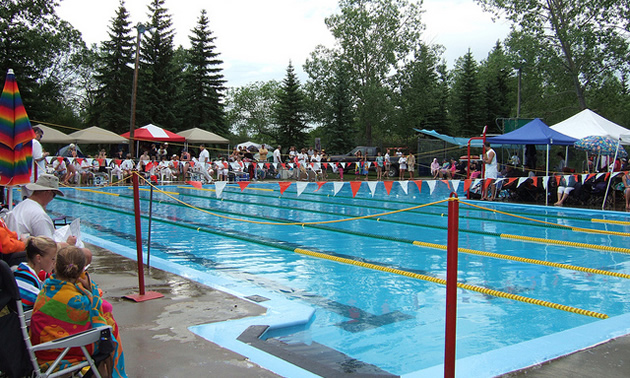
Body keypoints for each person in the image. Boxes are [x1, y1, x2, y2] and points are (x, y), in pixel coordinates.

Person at [30, 246, 126, 377]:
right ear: (81, 270)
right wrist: (90, 290)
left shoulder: (46, 290)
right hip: (64, 353)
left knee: (103, 332)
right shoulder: (79, 302)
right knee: (107, 331)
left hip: (41, 351)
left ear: (55, 265)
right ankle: (111, 375)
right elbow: (105, 308)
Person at [6, 174, 77, 246]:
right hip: (28, 253)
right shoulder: (39, 215)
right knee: (84, 252)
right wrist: (68, 244)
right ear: (47, 193)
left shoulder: (21, 206)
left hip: (16, 248)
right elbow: (48, 247)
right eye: (54, 195)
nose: (52, 199)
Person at [14, 236, 57, 310]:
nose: (54, 262)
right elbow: (47, 302)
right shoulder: (26, 279)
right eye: (52, 258)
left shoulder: (22, 271)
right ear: (39, 258)